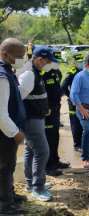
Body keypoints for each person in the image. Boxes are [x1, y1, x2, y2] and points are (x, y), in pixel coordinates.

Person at [20, 46, 57, 202]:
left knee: (31, 151)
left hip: (37, 118)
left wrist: (44, 109)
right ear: (39, 59)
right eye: (47, 61)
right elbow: (18, 99)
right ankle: (38, 188)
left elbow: (35, 96)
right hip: (31, 120)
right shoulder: (29, 74)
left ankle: (31, 184)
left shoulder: (35, 72)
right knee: (42, 152)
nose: (48, 64)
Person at [0, 38, 27, 215]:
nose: (21, 60)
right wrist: (15, 132)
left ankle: (9, 194)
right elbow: (0, 113)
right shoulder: (2, 77)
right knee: (3, 168)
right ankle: (5, 205)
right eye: (18, 56)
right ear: (4, 54)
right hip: (4, 132)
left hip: (9, 131)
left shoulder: (9, 72)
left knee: (9, 166)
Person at [42, 51, 70, 177]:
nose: (56, 63)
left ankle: (55, 160)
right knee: (48, 138)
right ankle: (48, 166)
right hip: (46, 111)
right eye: (54, 61)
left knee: (55, 136)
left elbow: (59, 88)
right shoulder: (42, 74)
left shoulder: (57, 72)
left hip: (56, 109)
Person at [61, 53, 85, 152]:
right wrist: (70, 96)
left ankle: (82, 143)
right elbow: (63, 86)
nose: (81, 63)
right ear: (75, 62)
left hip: (83, 101)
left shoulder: (84, 71)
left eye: (82, 61)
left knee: (83, 123)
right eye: (79, 62)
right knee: (75, 123)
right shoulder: (72, 72)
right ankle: (77, 145)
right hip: (74, 102)